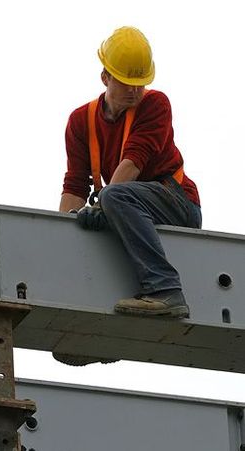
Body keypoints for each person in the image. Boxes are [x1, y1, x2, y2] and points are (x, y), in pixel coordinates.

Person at [56, 26, 201, 366]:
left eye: (140, 82)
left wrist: (100, 203)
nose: (136, 90)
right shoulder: (81, 121)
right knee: (90, 225)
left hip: (175, 201)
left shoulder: (155, 104)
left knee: (115, 199)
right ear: (105, 76)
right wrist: (64, 236)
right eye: (126, 81)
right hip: (129, 210)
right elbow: (75, 185)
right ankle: (105, 336)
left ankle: (166, 290)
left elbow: (134, 162)